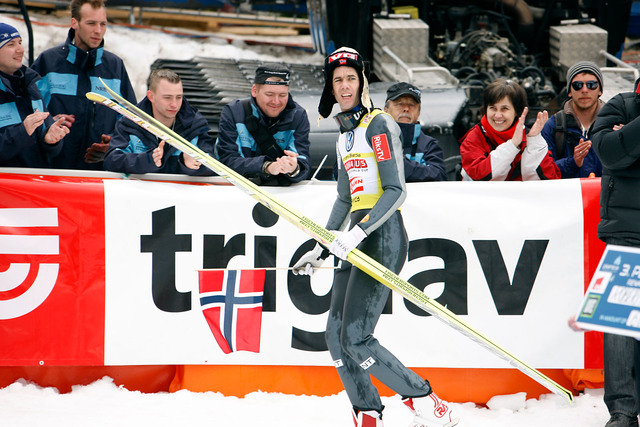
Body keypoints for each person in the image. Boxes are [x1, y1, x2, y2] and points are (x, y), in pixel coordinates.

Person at [292, 47, 459, 427]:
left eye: (351, 78)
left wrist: (360, 231)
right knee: (335, 337)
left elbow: (396, 190)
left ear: (362, 82)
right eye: (338, 81)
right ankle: (367, 410)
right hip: (353, 240)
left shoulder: (378, 125)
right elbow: (343, 197)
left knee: (355, 335)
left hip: (382, 238)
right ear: (331, 89)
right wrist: (322, 246)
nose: (345, 86)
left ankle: (426, 400)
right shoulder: (343, 137)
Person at [32, 0, 136, 170]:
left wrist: (114, 144)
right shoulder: (48, 63)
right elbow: (29, 114)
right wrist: (50, 123)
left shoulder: (115, 67)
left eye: (103, 24)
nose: (98, 30)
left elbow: (130, 121)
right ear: (74, 23)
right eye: (91, 23)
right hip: (54, 173)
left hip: (101, 177)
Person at [591, 78, 640, 427]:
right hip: (626, 233)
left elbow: (624, 151)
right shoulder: (618, 105)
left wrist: (630, 135)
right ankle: (622, 412)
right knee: (619, 330)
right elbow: (610, 153)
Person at [215, 63, 311, 185]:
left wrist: (294, 168)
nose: (276, 102)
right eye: (269, 95)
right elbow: (226, 160)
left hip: (282, 194)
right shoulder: (234, 112)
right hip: (240, 190)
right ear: (255, 91)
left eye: (282, 95)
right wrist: (267, 167)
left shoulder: (298, 115)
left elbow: (303, 161)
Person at [103, 69, 213, 175]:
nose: (174, 104)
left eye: (179, 97)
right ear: (151, 96)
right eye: (167, 98)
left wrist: (191, 165)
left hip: (181, 193)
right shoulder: (131, 122)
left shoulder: (195, 124)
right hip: (141, 192)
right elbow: (112, 161)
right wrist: (147, 160)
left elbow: (214, 166)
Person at [460, 78, 560, 181]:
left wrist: (534, 143)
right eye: (492, 108)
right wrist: (511, 146)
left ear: (516, 111)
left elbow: (549, 181)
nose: (498, 115)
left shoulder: (529, 138)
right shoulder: (474, 137)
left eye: (505, 109)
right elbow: (478, 176)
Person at [0, 23, 68, 168]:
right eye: (11, 45)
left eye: (20, 43)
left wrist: (50, 140)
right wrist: (22, 132)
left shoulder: (30, 86)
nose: (20, 50)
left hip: (35, 183)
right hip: (6, 186)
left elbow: (48, 146)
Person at [541, 61, 604, 178]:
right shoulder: (554, 125)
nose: (584, 90)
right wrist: (573, 162)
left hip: (605, 195)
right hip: (568, 195)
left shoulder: (614, 123)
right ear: (569, 91)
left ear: (600, 90)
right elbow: (544, 171)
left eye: (592, 85)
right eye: (577, 85)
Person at [383, 82, 447, 182]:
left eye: (412, 105)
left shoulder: (429, 145)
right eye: (400, 104)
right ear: (386, 110)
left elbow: (439, 175)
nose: (406, 109)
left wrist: (400, 163)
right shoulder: (374, 140)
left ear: (419, 112)